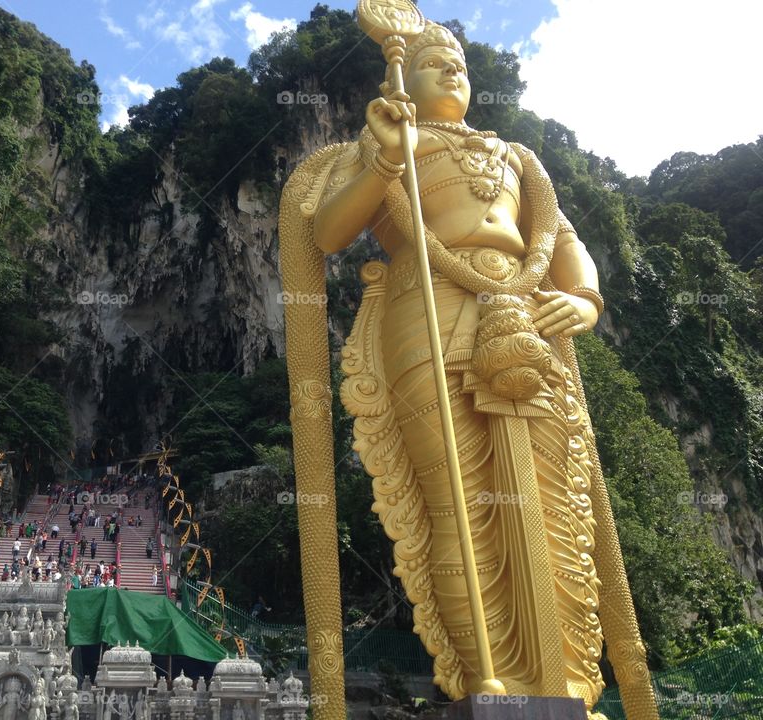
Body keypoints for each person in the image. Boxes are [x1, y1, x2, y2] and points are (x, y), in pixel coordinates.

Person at [279, 17, 653, 714]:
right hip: (428, 312)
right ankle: (487, 675)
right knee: (455, 500)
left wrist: (586, 300)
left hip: (526, 320)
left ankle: (566, 681)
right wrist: (386, 160)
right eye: (432, 61)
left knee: (550, 504)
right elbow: (328, 231)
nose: (453, 69)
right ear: (401, 79)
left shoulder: (515, 156)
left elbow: (562, 239)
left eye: (459, 60)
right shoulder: (390, 140)